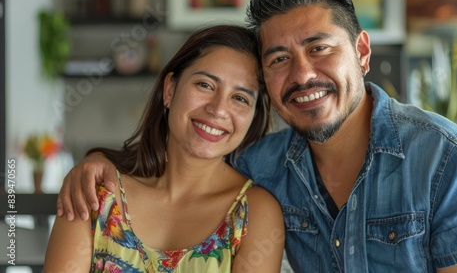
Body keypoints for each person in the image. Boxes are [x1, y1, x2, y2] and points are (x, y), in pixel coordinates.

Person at [57, 0, 457, 272]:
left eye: (320, 48)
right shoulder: (259, 167)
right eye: (280, 58)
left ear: (362, 53)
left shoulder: (445, 159)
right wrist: (97, 161)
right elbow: (190, 155)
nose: (303, 74)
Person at [45, 25, 285, 272]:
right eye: (205, 85)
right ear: (170, 89)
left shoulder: (255, 213)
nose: (218, 109)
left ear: (253, 117)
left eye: (240, 98)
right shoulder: (96, 192)